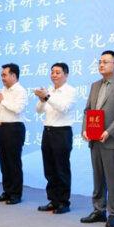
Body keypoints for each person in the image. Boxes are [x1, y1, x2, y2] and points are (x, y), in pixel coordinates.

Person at [80, 50, 114, 227]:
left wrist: (109, 131)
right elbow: (88, 110)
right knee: (98, 177)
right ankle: (99, 210)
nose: (101, 65)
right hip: (94, 139)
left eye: (105, 62)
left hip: (112, 139)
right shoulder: (95, 85)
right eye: (100, 62)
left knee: (113, 178)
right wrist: (85, 129)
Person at [34, 62, 76, 214]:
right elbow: (39, 110)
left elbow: (63, 108)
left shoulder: (70, 91)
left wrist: (47, 96)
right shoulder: (49, 90)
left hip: (62, 132)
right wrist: (41, 99)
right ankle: (53, 200)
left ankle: (63, 202)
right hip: (48, 131)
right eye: (52, 72)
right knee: (49, 169)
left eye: (58, 72)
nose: (54, 75)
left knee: (61, 168)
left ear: (66, 75)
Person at [0, 63, 27, 205]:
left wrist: (2, 100)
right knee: (4, 162)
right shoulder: (2, 91)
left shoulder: (20, 91)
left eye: (4, 75)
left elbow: (17, 109)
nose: (2, 78)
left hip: (14, 128)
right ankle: (7, 191)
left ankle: (16, 194)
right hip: (2, 128)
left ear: (13, 75)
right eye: (1, 75)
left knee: (13, 162)